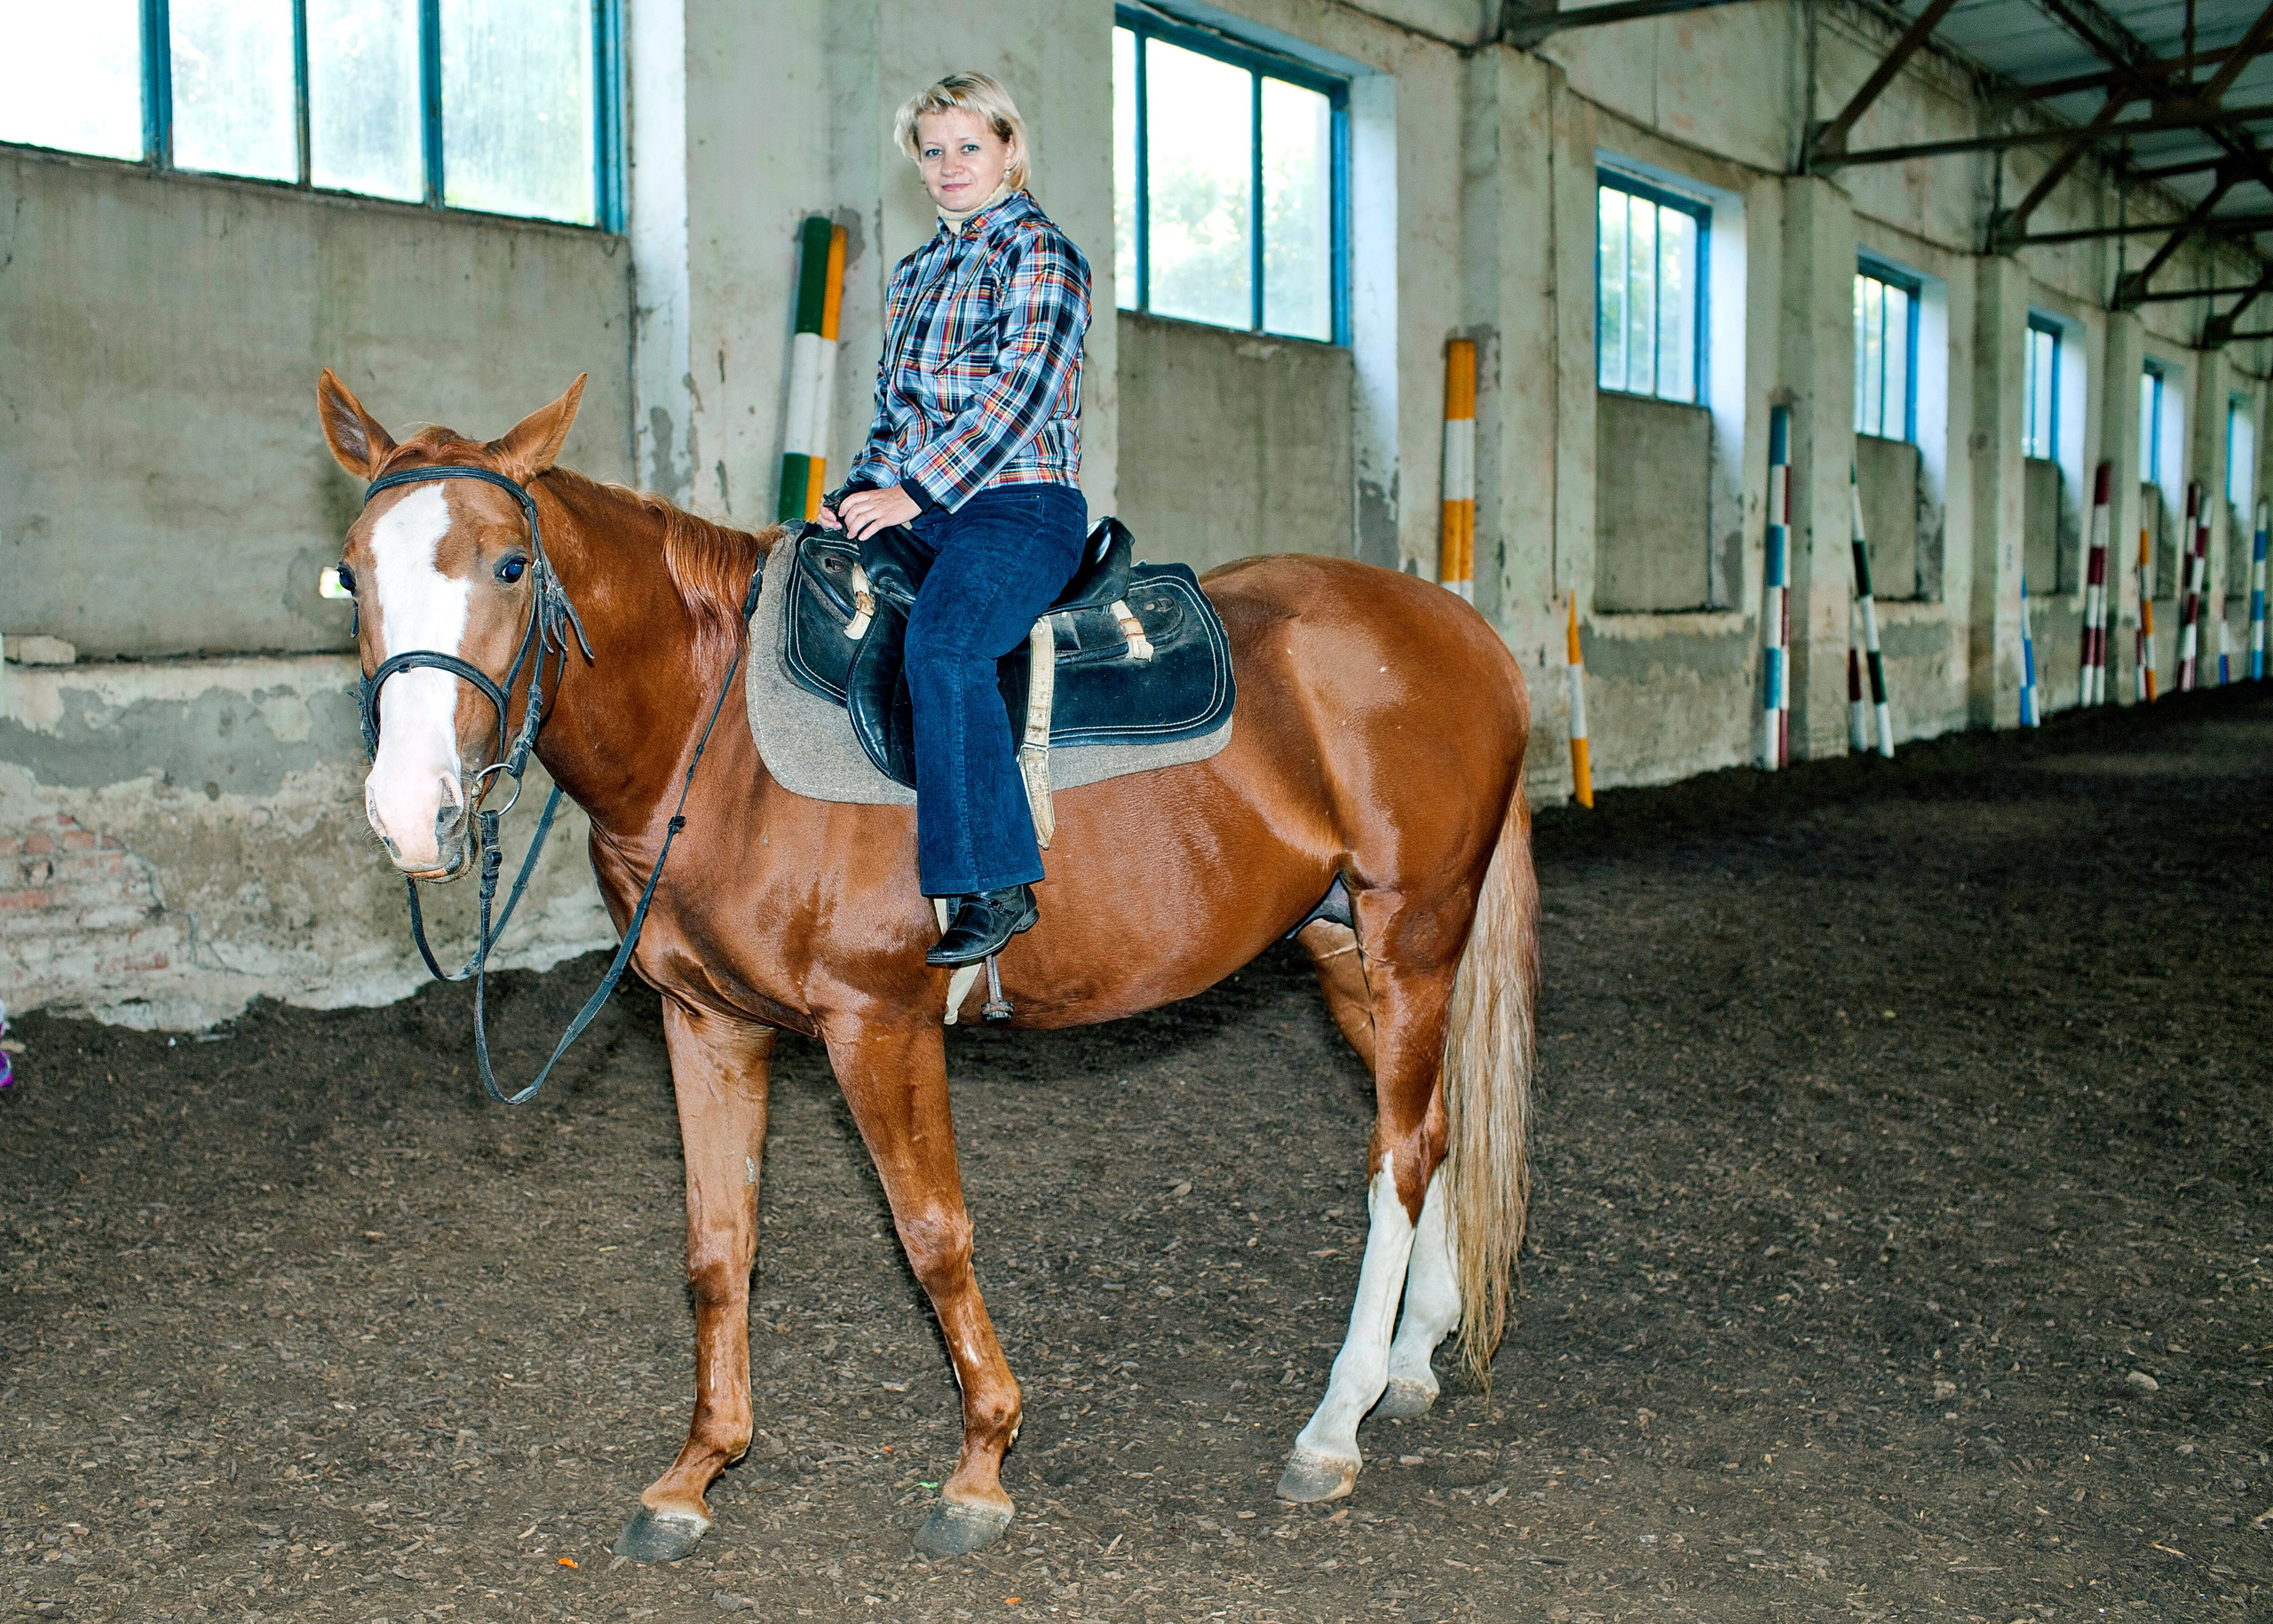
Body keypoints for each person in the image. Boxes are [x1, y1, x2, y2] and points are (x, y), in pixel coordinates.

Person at [822, 72, 1092, 969]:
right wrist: (857, 495)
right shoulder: (913, 275)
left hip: (1020, 503)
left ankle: (992, 880)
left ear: (1009, 150)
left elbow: (1022, 395)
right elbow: (893, 416)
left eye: (969, 146)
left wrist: (915, 493)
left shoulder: (1042, 255)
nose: (949, 165)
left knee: (944, 644)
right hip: (928, 500)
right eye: (932, 150)